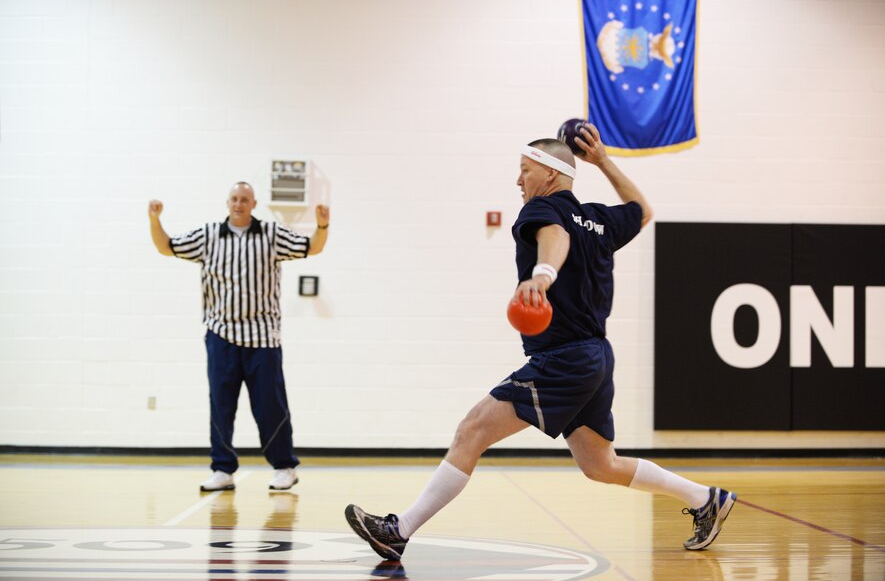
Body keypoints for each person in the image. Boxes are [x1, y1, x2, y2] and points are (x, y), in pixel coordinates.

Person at [344, 125, 735, 559]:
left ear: (549, 175)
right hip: (595, 356)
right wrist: (603, 161)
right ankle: (705, 499)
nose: (518, 181)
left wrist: (542, 275)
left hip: (564, 356)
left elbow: (557, 237)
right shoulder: (600, 219)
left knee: (472, 428)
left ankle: (400, 530)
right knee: (600, 464)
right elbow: (642, 211)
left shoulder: (540, 210)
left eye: (524, 170)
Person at [148, 182, 330, 492]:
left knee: (270, 405)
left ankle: (284, 466)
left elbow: (312, 247)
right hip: (221, 334)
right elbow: (167, 247)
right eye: (234, 198)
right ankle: (222, 469)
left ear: (253, 203)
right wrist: (155, 219)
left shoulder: (271, 234)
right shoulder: (208, 235)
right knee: (221, 404)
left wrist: (322, 225)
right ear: (227, 202)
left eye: (244, 199)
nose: (238, 203)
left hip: (263, 337)